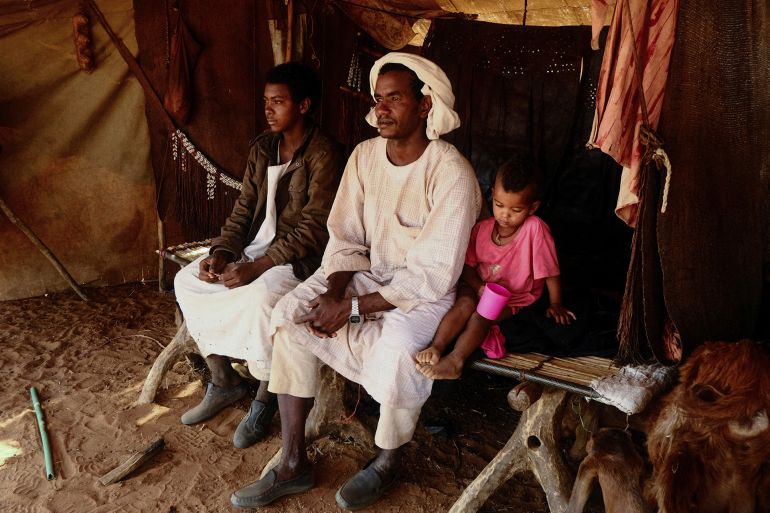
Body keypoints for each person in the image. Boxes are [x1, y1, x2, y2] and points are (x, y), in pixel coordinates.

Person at [228, 53, 482, 510]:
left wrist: (354, 309)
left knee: (398, 349)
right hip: (361, 276)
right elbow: (343, 235)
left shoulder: (451, 174)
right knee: (291, 316)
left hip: (422, 294)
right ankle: (292, 463)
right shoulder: (365, 157)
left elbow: (432, 274)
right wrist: (333, 291)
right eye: (378, 99)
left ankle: (387, 460)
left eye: (395, 99)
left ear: (425, 106)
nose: (381, 109)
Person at [173, 62, 344, 449]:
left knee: (263, 298)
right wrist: (221, 252)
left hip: (300, 259)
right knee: (189, 281)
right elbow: (243, 210)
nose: (268, 110)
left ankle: (265, 398)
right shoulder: (263, 147)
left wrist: (261, 265)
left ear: (303, 105)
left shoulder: (325, 153)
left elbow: (316, 228)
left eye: (278, 102)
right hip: (256, 251)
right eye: (266, 101)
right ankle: (224, 382)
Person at [415, 155, 576, 380]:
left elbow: (550, 270)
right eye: (499, 205)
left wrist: (556, 303)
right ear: (492, 194)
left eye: (516, 210)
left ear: (533, 208)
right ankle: (437, 348)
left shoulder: (535, 230)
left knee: (481, 317)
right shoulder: (482, 229)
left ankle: (455, 360)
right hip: (478, 284)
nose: (505, 215)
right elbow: (468, 267)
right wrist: (478, 286)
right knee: (464, 304)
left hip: (513, 296)